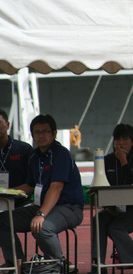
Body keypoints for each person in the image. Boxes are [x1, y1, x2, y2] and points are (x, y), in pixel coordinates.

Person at [0, 114, 84, 272]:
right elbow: (30, 186)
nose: (41, 136)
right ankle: (17, 265)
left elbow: (56, 187)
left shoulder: (61, 154)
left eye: (45, 131)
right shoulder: (33, 157)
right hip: (43, 206)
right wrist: (6, 192)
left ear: (54, 133)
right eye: (37, 132)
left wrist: (41, 214)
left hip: (68, 207)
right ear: (32, 135)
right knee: (2, 220)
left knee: (42, 227)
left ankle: (60, 265)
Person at [90, 124, 133, 274]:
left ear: (132, 141)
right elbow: (101, 185)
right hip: (113, 209)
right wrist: (110, 207)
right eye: (117, 139)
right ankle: (98, 265)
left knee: (116, 227)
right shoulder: (107, 160)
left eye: (124, 139)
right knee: (99, 219)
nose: (120, 143)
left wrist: (124, 161)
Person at [0, 108, 34, 266]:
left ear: (7, 125)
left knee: (1, 220)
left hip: (21, 204)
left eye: (0, 124)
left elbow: (33, 183)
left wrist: (11, 193)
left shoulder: (24, 149)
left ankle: (15, 262)